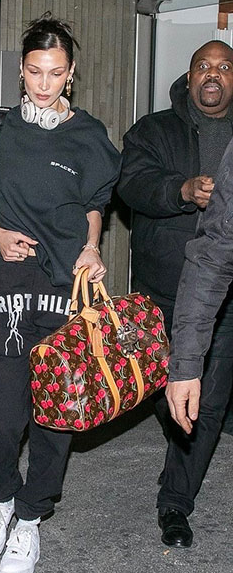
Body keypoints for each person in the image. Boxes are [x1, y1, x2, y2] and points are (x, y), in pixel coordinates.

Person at [0, 12, 121, 573]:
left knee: (55, 413)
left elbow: (95, 203)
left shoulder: (88, 134)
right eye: (34, 71)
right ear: (21, 71)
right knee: (1, 418)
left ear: (70, 72)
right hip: (10, 282)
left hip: (64, 285)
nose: (44, 83)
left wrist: (92, 247)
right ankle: (0, 496)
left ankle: (30, 516)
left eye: (55, 72)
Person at [118, 40, 233, 548]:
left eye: (224, 67)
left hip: (225, 299)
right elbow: (130, 183)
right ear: (189, 78)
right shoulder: (154, 130)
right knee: (165, 388)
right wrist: (181, 190)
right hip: (164, 290)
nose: (213, 74)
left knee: (209, 399)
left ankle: (176, 501)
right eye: (203, 66)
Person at [166, 135, 233, 539]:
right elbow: (214, 256)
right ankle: (175, 499)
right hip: (210, 298)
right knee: (204, 405)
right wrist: (186, 364)